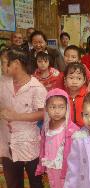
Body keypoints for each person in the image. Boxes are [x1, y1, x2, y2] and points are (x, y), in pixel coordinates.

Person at [0, 49, 47, 188]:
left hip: (29, 144)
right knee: (13, 183)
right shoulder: (3, 82)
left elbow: (43, 113)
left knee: (36, 182)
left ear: (16, 63)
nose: (2, 67)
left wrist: (17, 116)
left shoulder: (36, 88)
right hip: (7, 143)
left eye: (3, 63)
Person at [35, 88, 79, 188]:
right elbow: (43, 147)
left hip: (66, 169)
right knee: (53, 184)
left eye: (61, 107)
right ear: (46, 108)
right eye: (53, 107)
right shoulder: (45, 127)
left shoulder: (71, 129)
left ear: (67, 108)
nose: (57, 111)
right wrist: (42, 165)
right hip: (51, 167)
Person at [64, 62, 87, 127]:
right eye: (71, 78)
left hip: (85, 131)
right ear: (65, 79)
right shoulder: (62, 97)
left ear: (84, 80)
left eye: (79, 78)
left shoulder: (88, 97)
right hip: (67, 131)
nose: (74, 82)